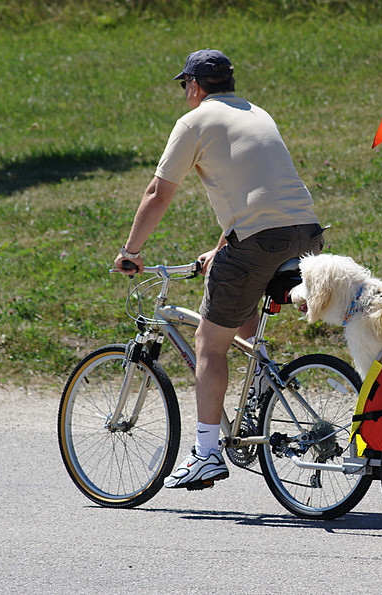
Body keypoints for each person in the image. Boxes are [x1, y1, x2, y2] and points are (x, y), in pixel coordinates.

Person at [113, 49, 323, 489]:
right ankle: (259, 397)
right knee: (232, 284)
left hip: (259, 241)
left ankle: (207, 453)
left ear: (194, 85)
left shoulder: (194, 122)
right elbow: (257, 193)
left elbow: (158, 193)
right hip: (306, 233)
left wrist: (131, 250)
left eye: (184, 85)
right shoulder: (255, 112)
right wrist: (218, 248)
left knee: (209, 343)